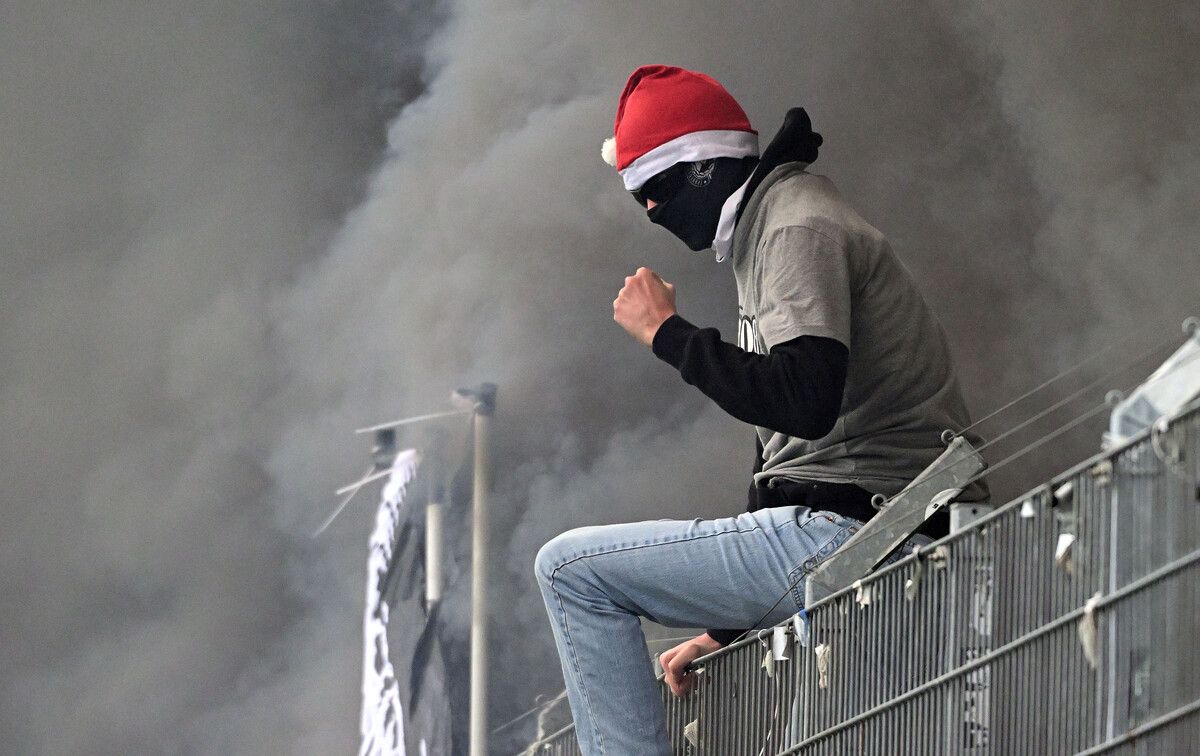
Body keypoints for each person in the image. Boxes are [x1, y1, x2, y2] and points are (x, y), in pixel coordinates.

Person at [533, 65, 987, 755]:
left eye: (655, 190)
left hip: (863, 530)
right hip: (864, 532)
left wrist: (668, 334)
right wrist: (727, 627)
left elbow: (801, 401)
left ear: (705, 170)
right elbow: (783, 456)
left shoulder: (794, 226)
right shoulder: (776, 226)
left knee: (571, 572)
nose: (651, 213)